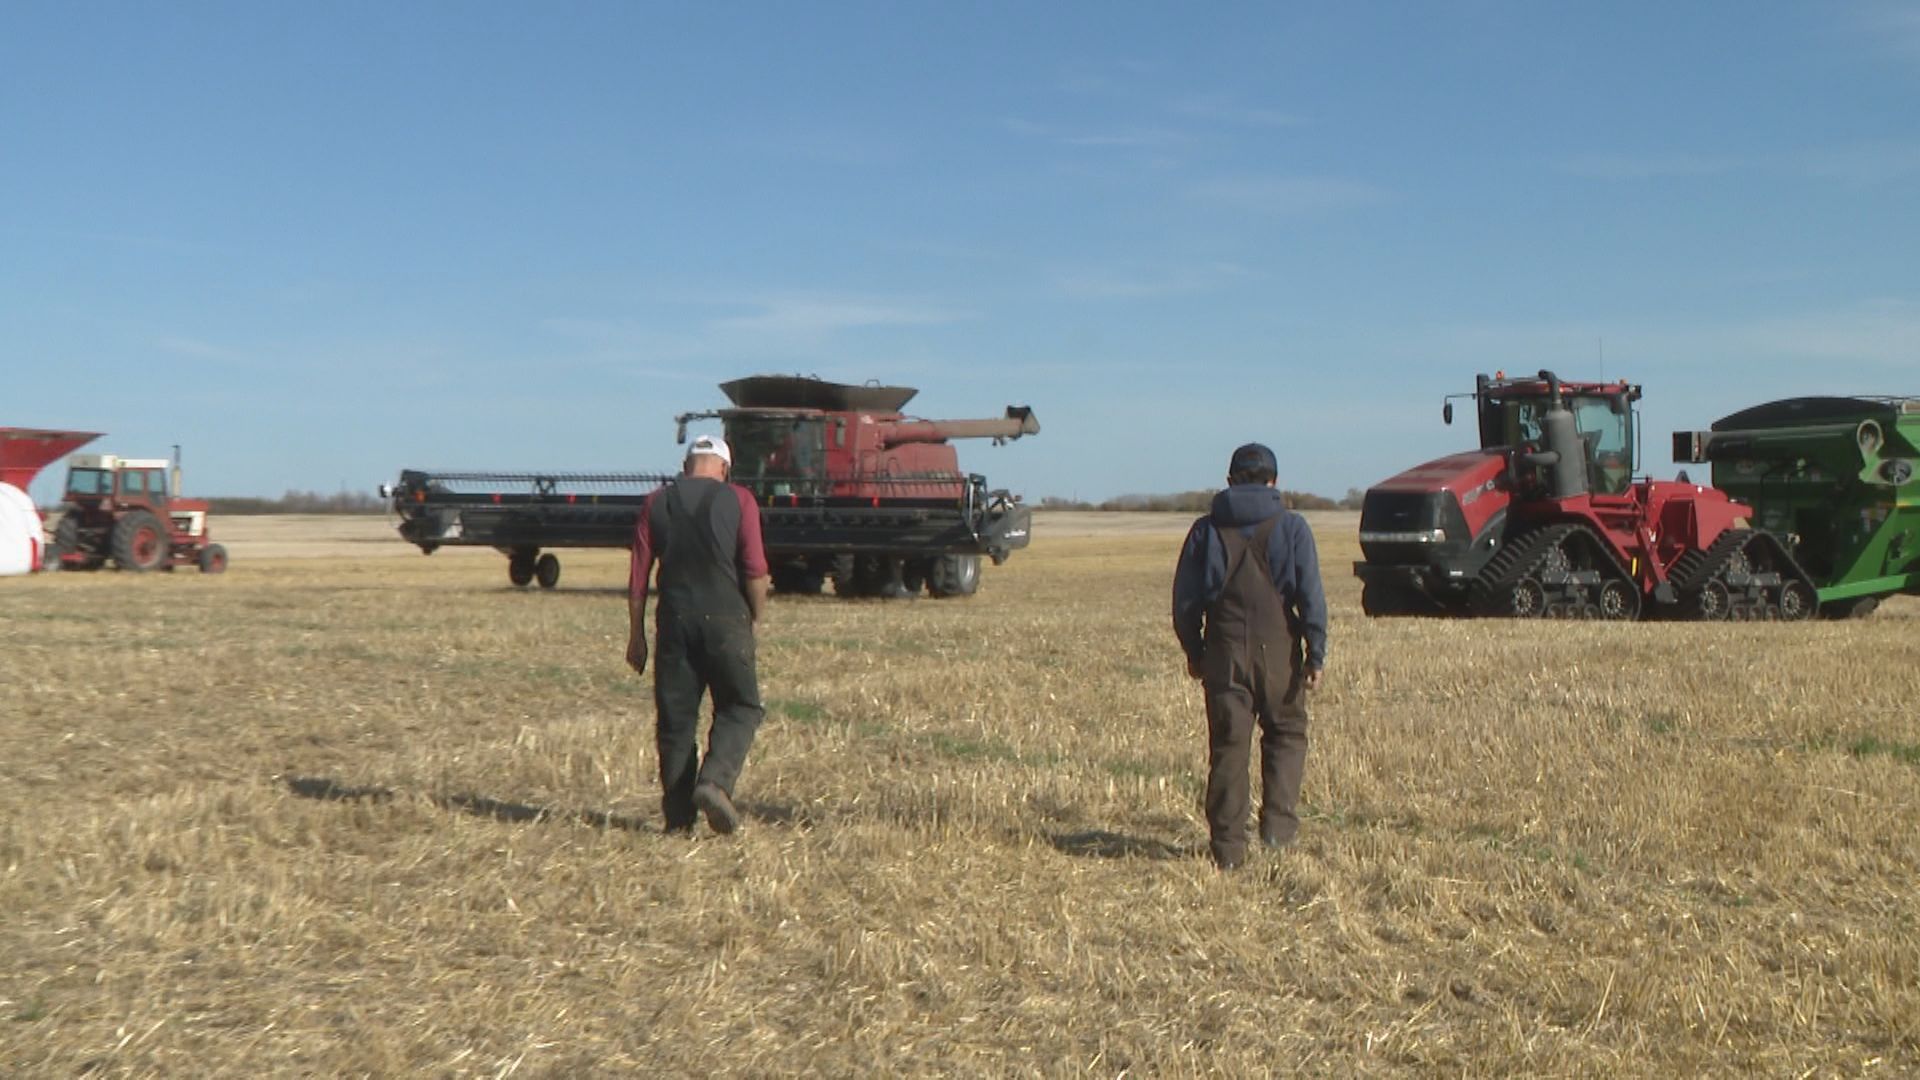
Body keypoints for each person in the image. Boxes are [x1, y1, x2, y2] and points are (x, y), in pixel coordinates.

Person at [1172, 443, 1329, 870]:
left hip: (1224, 651)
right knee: (1286, 735)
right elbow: (1311, 595)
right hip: (1280, 652)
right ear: (1274, 481)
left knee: (1228, 746)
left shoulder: (1205, 531)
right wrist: (1316, 653)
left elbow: (1185, 602)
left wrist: (1195, 651)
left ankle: (1228, 851)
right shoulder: (1293, 528)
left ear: (1229, 482)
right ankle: (1278, 834)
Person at [628, 434, 772, 835]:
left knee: (675, 722)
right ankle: (714, 782)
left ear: (686, 464)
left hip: (673, 622)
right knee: (741, 706)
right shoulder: (740, 500)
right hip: (727, 620)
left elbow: (639, 578)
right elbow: (756, 572)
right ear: (724, 469)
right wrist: (755, 618)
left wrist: (635, 637)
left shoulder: (656, 502)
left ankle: (678, 821)